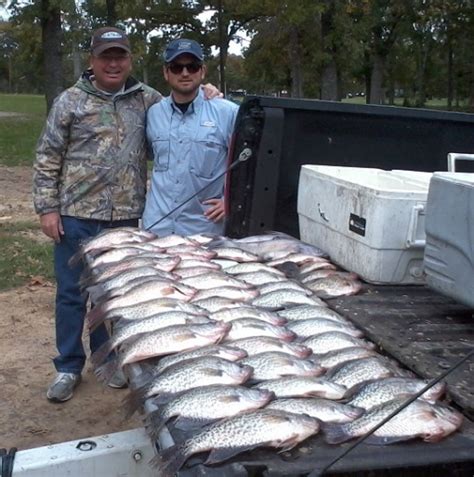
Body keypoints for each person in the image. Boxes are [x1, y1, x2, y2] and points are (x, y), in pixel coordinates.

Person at [32, 27, 219, 403]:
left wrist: (210, 93)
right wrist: (47, 208)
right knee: (72, 293)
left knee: (113, 296)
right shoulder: (70, 101)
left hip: (125, 219)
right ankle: (68, 366)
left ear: (130, 60)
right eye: (105, 57)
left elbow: (181, 103)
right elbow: (48, 155)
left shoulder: (146, 100)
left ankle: (108, 360)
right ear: (93, 61)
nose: (113, 63)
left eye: (120, 56)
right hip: (76, 215)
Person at [142, 38, 239, 237]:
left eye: (192, 67)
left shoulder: (228, 113)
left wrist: (231, 200)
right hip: (156, 230)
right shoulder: (152, 114)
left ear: (202, 71)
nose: (185, 73)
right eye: (176, 67)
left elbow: (247, 164)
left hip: (203, 232)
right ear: (166, 73)